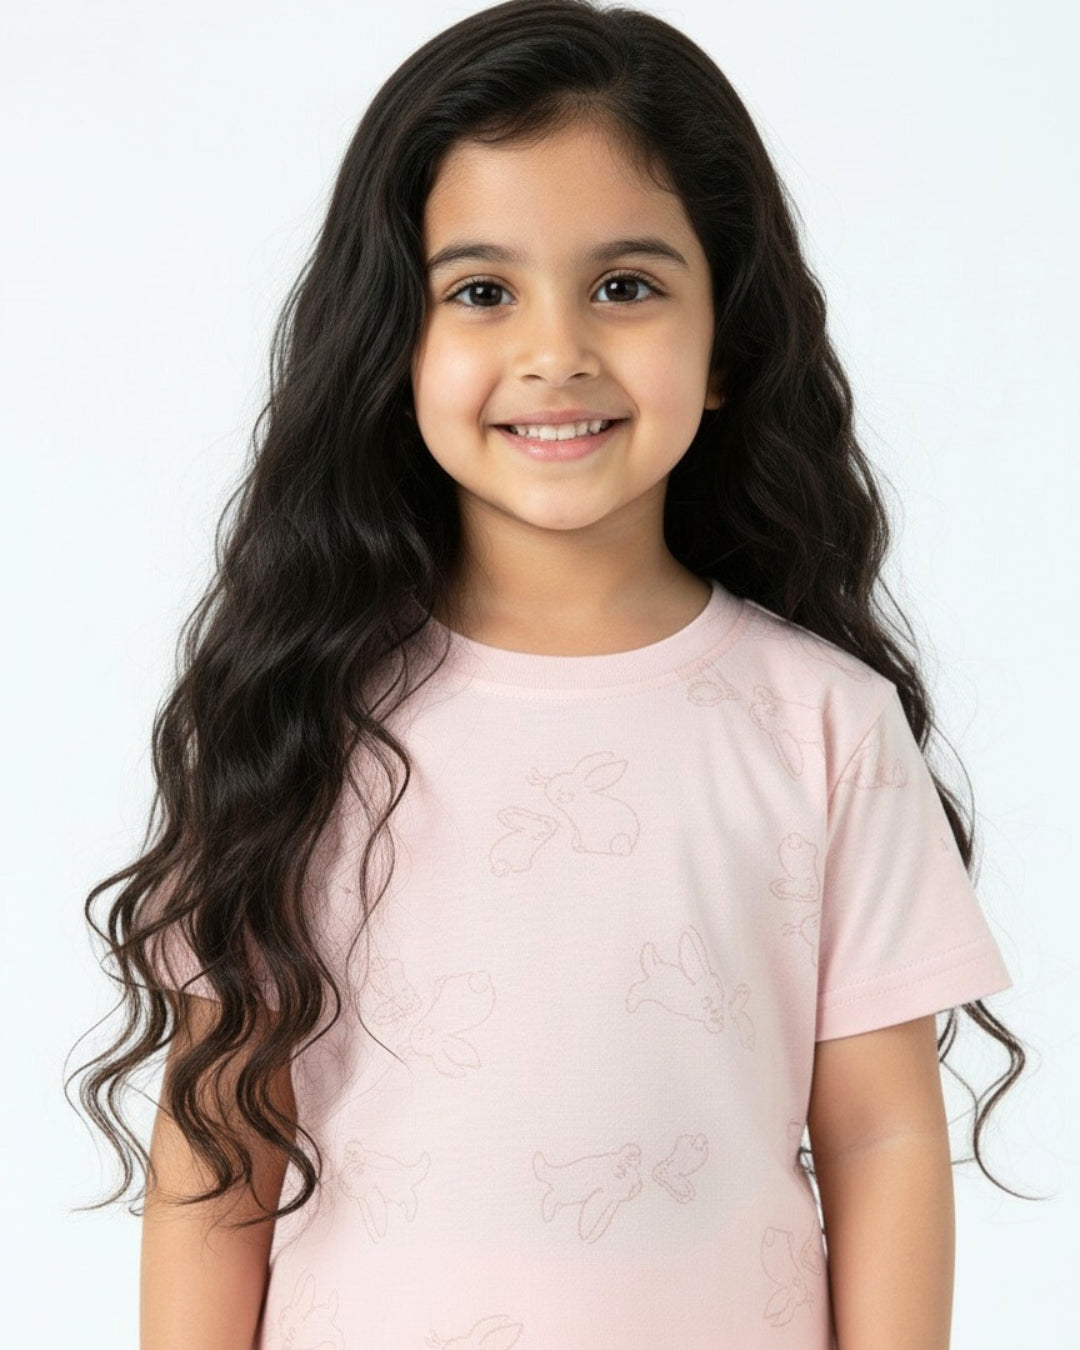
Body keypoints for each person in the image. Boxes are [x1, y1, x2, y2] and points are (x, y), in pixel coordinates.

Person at [67, 2, 1036, 1347]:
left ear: (726, 347)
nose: (556, 350)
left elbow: (879, 1139)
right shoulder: (304, 716)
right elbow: (219, 1148)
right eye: (480, 290)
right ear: (391, 341)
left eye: (625, 285)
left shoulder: (825, 723)